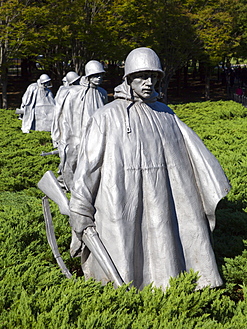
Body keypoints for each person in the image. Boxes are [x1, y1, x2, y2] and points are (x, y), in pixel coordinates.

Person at [69, 47, 231, 291]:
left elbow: (190, 162)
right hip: (121, 200)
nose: (148, 82)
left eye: (153, 77)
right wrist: (80, 207)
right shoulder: (106, 117)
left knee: (164, 248)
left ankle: (172, 289)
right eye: (141, 76)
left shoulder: (166, 114)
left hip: (163, 201)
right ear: (128, 78)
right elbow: (89, 168)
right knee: (126, 253)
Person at [53, 62, 108, 191]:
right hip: (75, 134)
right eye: (95, 75)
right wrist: (59, 135)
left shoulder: (102, 93)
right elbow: (61, 115)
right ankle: (68, 187)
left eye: (101, 75)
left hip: (96, 134)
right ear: (88, 76)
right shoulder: (73, 92)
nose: (99, 78)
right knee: (71, 162)